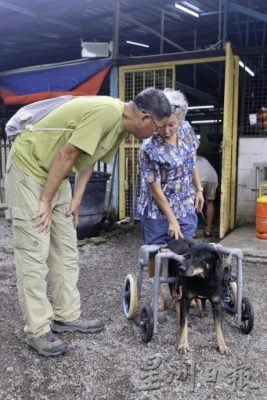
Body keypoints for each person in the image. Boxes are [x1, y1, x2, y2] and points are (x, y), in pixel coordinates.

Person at [5, 88, 172, 357]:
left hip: (56, 176)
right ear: (144, 118)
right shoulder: (106, 113)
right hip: (31, 169)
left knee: (66, 248)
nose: (159, 133)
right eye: (158, 127)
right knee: (34, 250)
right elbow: (67, 154)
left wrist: (76, 201)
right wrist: (45, 201)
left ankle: (66, 315)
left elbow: (88, 160)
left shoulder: (120, 125)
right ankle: (37, 329)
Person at [137, 88, 204, 311]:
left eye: (171, 125)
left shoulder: (186, 130)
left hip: (184, 202)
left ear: (180, 120)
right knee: (157, 250)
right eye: (161, 125)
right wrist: (171, 219)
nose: (166, 131)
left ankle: (179, 293)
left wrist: (198, 189)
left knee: (184, 249)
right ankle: (157, 292)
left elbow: (191, 160)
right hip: (158, 208)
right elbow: (155, 188)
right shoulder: (148, 148)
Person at [196, 155, 219, 237]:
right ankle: (208, 229)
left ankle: (192, 231)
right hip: (213, 177)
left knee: (192, 202)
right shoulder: (204, 158)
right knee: (210, 202)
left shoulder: (189, 156)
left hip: (200, 177)